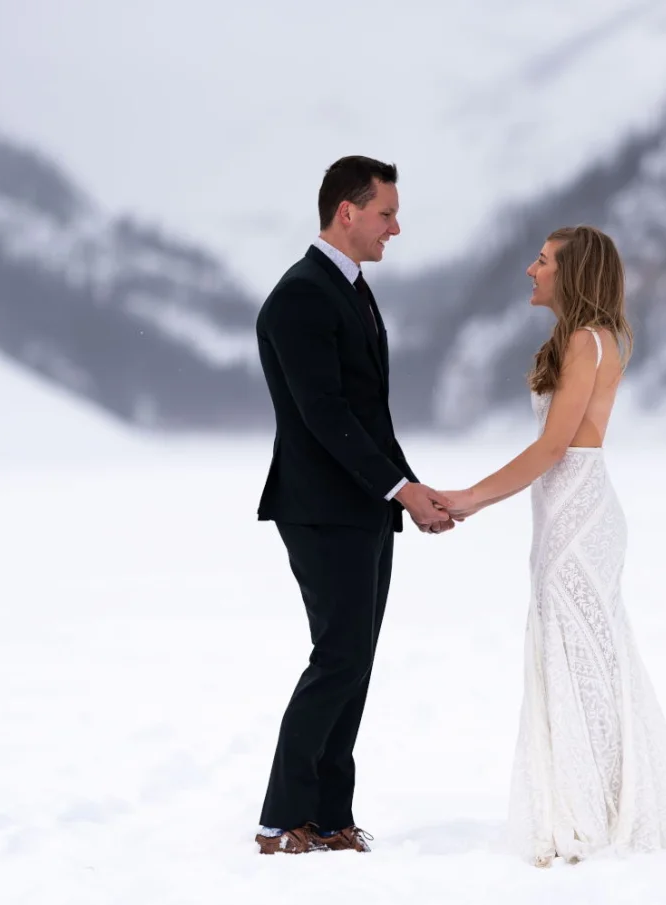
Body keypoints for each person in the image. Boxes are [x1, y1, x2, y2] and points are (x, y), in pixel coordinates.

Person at [442, 225, 666, 867]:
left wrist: (469, 498)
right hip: (565, 512)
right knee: (570, 653)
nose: (530, 271)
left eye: (541, 262)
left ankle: (594, 812)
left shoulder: (588, 343)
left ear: (572, 273)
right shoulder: (579, 341)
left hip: (579, 515)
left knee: (584, 657)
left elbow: (552, 447)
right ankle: (583, 801)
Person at [252, 155, 455, 855]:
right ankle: (282, 818)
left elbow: (370, 417)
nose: (395, 228)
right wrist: (401, 489)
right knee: (338, 654)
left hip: (363, 505)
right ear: (347, 211)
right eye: (386, 214)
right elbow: (325, 415)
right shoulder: (302, 295)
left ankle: (331, 816)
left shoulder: (353, 290)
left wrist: (410, 488)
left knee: (355, 658)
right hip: (320, 506)